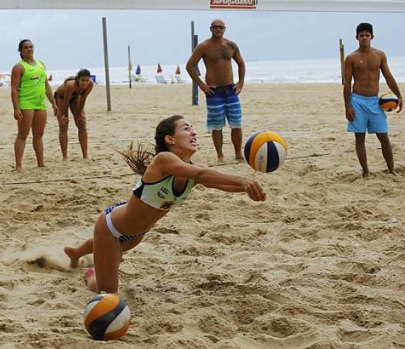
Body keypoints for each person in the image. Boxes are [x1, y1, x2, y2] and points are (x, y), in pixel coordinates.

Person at [64, 115, 266, 293]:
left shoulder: (190, 172)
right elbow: (203, 174)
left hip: (136, 235)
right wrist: (243, 180)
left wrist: (247, 189)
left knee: (109, 253)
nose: (193, 132)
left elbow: (216, 182)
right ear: (170, 139)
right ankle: (90, 273)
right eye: (186, 128)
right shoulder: (164, 159)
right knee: (107, 292)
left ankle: (77, 253)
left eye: (193, 128)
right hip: (110, 228)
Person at [343, 23, 403, 177]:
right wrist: (347, 105)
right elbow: (347, 83)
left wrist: (399, 96)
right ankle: (365, 172)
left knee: (383, 136)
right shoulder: (351, 58)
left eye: (367, 35)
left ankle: (391, 170)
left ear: (372, 37)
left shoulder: (379, 55)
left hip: (374, 101)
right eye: (361, 35)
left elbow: (388, 77)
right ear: (357, 37)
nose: (364, 38)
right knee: (360, 137)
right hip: (357, 101)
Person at [186, 19, 246, 163]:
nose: (218, 29)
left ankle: (238, 153)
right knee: (216, 125)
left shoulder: (231, 45)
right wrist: (201, 84)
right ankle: (220, 155)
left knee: (236, 123)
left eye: (221, 27)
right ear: (211, 29)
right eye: (215, 27)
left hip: (231, 90)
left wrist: (241, 83)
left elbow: (241, 63)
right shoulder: (204, 46)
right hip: (214, 92)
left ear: (224, 29)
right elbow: (190, 66)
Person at [10, 39, 57, 171]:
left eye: (31, 47)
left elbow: (46, 85)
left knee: (39, 134)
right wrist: (16, 108)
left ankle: (40, 163)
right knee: (23, 134)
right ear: (20, 51)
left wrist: (53, 103)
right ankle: (18, 165)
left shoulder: (40, 64)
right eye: (26, 47)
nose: (29, 49)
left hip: (40, 103)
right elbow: (14, 89)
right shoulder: (19, 67)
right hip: (26, 103)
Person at [54, 69, 94, 160]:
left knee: (81, 123)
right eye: (82, 80)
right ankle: (65, 156)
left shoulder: (90, 84)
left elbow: (83, 99)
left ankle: (85, 155)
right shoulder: (71, 85)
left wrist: (79, 114)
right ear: (78, 80)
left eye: (86, 80)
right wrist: (64, 116)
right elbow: (66, 101)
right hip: (61, 98)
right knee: (63, 125)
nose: (84, 83)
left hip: (75, 97)